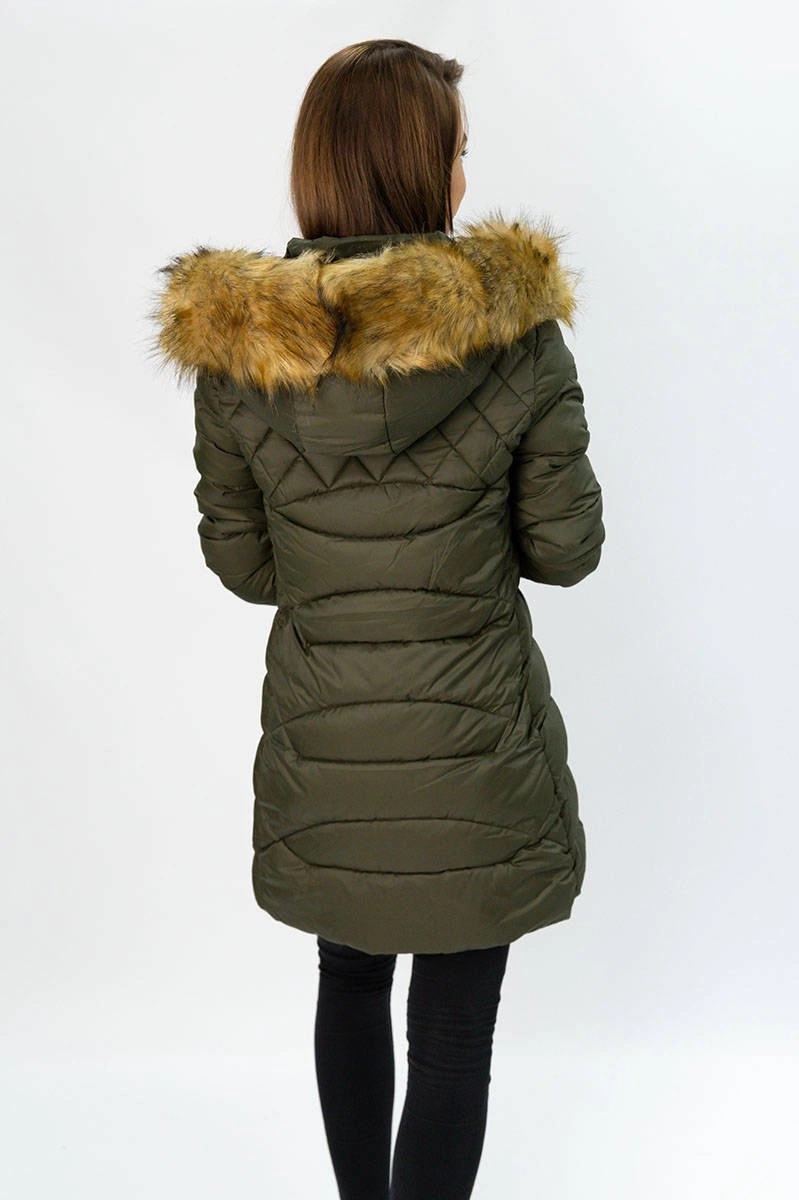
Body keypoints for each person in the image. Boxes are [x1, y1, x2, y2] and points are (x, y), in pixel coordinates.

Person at [149, 36, 605, 1200]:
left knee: (347, 981)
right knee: (453, 1034)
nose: (465, 174)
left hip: (329, 748)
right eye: (456, 151)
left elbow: (246, 565)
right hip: (473, 752)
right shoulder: (516, 339)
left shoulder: (243, 358)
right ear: (420, 170)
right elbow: (566, 552)